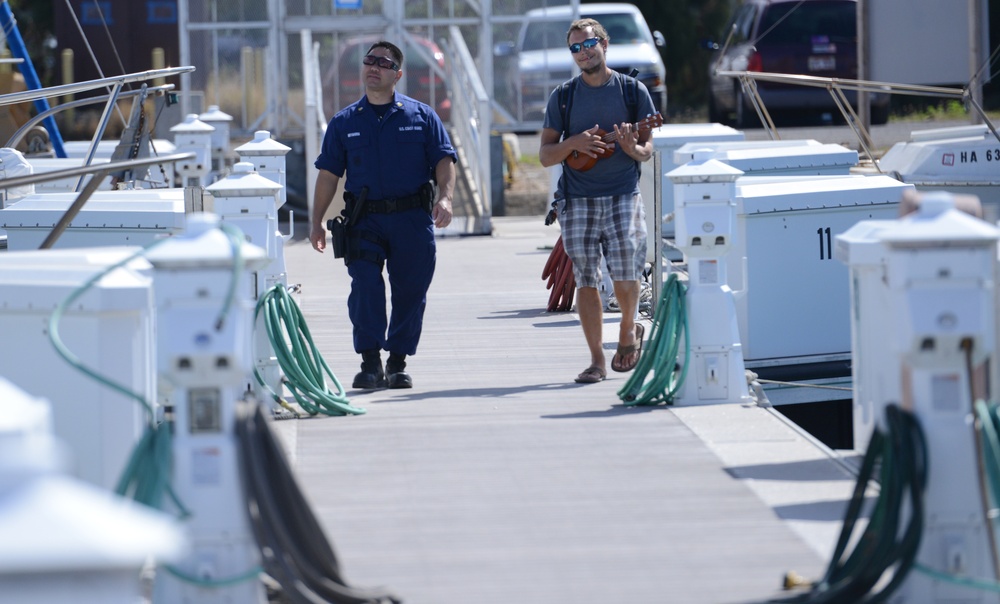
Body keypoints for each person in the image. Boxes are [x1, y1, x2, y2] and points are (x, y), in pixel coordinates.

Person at [310, 40, 456, 390]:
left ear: (398, 75)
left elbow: (444, 160)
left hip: (411, 219)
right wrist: (315, 221)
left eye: (384, 63)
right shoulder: (344, 123)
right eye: (369, 61)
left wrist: (446, 198)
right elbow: (328, 175)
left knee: (410, 291)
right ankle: (370, 362)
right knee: (365, 288)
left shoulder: (421, 116)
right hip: (365, 220)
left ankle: (398, 361)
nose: (374, 67)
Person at [538, 18, 656, 384]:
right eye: (575, 48)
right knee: (586, 280)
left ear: (604, 44)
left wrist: (629, 146)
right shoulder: (564, 96)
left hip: (623, 194)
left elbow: (647, 150)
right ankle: (595, 361)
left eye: (588, 44)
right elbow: (544, 155)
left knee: (626, 274)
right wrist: (573, 143)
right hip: (578, 200)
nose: (583, 52)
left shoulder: (633, 92)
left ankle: (626, 329)